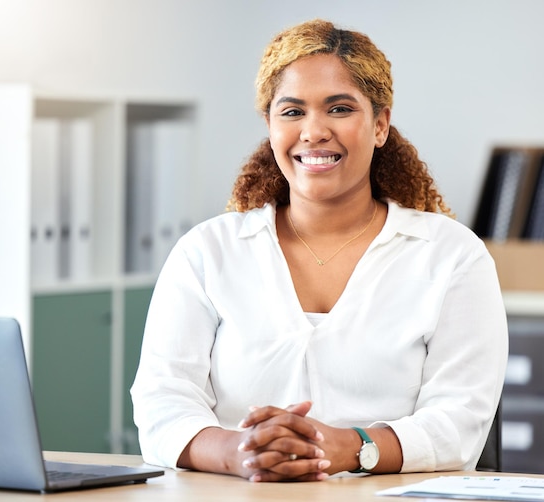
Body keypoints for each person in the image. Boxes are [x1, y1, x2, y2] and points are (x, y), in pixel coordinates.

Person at [131, 19, 508, 482]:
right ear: (270, 127)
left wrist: (349, 447)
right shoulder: (207, 252)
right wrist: (240, 453)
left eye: (340, 108)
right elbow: (161, 403)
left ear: (380, 126)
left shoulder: (451, 256)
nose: (313, 131)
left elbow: (459, 423)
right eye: (291, 112)